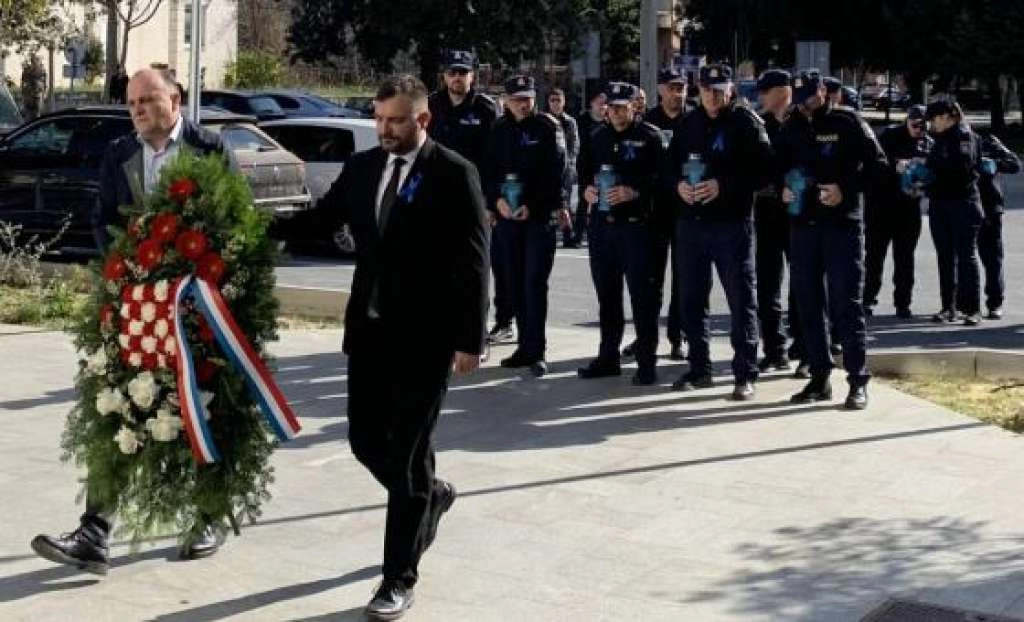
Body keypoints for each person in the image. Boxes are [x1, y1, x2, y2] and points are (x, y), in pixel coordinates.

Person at [31, 69, 226, 576]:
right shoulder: (119, 153)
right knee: (117, 406)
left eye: (147, 100)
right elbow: (103, 220)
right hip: (135, 305)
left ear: (175, 99)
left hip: (194, 308)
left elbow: (230, 221)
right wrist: (126, 270)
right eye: (132, 102)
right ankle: (94, 534)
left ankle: (208, 515)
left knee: (196, 409)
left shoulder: (209, 148)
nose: (137, 109)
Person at [322, 74, 489, 620]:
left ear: (422, 120)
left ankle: (398, 577)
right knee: (366, 440)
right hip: (368, 332)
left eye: (395, 120)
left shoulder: (453, 173)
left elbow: (473, 262)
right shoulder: (363, 167)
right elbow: (318, 221)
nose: (384, 129)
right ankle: (431, 496)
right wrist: (247, 233)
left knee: (410, 455)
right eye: (378, 118)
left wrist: (470, 339)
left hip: (426, 339)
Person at [776, 71, 886, 410]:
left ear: (823, 91)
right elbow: (777, 165)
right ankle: (819, 377)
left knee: (846, 303)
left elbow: (879, 166)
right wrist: (782, 186)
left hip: (841, 225)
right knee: (808, 303)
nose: (805, 104)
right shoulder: (791, 125)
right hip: (803, 226)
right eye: (800, 98)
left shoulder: (847, 121)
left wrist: (845, 189)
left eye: (810, 96)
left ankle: (857, 381)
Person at [667, 63, 772, 400]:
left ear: (730, 91)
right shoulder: (688, 123)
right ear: (698, 91)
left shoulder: (745, 122)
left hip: (731, 225)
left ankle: (745, 374)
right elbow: (668, 167)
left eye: (719, 89)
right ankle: (700, 369)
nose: (712, 96)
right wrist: (678, 185)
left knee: (741, 300)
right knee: (691, 300)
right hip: (691, 224)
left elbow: (765, 172)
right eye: (707, 89)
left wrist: (723, 185)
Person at [576, 82, 664, 385]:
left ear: (635, 106)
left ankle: (646, 362)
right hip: (603, 227)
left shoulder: (649, 137)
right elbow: (583, 172)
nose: (615, 112)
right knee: (607, 296)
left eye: (621, 106)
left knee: (643, 297)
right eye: (610, 106)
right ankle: (608, 356)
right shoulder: (596, 136)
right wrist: (587, 191)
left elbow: (663, 181)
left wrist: (634, 191)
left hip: (637, 227)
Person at [485, 75, 569, 377]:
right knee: (514, 282)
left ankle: (537, 349)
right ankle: (523, 346)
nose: (523, 103)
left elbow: (557, 173)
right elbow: (489, 172)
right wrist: (495, 201)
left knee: (534, 283)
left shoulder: (547, 127)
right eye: (517, 98)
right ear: (506, 100)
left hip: (537, 218)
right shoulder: (498, 130)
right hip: (507, 219)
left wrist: (534, 204)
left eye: (528, 98)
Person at [426, 50, 507, 342]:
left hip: (475, 201)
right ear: (444, 75)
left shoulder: (485, 108)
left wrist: (491, 202)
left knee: (474, 271)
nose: (457, 77)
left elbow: (497, 159)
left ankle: (475, 335)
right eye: (452, 72)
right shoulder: (432, 105)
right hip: (437, 202)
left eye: (462, 72)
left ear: (473, 75)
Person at [630, 67, 688, 363]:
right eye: (672, 87)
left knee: (683, 278)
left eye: (682, 87)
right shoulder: (647, 122)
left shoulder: (693, 121)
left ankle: (677, 336)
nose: (677, 93)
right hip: (653, 212)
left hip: (685, 212)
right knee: (650, 279)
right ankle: (645, 336)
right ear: (661, 90)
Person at [753, 69, 805, 373]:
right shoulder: (761, 125)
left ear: (783, 91)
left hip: (800, 213)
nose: (760, 96)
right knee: (767, 284)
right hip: (768, 212)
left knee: (804, 284)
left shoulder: (803, 122)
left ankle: (804, 348)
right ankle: (774, 349)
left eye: (765, 91)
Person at [864, 104, 933, 319]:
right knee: (874, 258)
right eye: (914, 124)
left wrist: (923, 176)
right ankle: (867, 299)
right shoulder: (888, 135)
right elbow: (872, 164)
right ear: (907, 120)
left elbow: (932, 175)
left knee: (905, 259)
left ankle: (903, 303)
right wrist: (895, 165)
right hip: (881, 207)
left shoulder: (928, 143)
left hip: (908, 209)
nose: (918, 129)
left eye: (923, 126)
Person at [924, 100, 985, 326]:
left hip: (963, 204)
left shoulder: (964, 136)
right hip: (940, 204)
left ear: (948, 116)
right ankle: (948, 307)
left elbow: (963, 168)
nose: (932, 124)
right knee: (945, 257)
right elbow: (933, 167)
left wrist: (932, 172)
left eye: (935, 119)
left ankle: (972, 309)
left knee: (966, 257)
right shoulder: (940, 139)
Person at [977, 132, 1021, 319]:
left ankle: (994, 303)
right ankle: (958, 303)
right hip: (960, 206)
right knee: (957, 258)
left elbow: (1014, 164)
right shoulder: (945, 141)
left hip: (989, 207)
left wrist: (996, 164)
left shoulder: (988, 142)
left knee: (992, 258)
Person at [574, 89, 609, 245]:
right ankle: (578, 234)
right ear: (591, 104)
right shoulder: (582, 121)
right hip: (586, 164)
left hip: (604, 165)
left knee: (604, 198)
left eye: (605, 103)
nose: (602, 106)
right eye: (599, 102)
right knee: (584, 199)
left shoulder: (609, 122)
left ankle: (602, 231)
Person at [548, 87, 581, 249]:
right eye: (552, 100)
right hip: (548, 168)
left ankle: (568, 234)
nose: (555, 104)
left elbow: (574, 146)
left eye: (558, 100)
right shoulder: (544, 121)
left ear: (564, 102)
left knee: (566, 202)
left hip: (566, 169)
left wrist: (570, 165)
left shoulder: (570, 122)